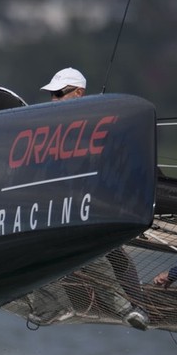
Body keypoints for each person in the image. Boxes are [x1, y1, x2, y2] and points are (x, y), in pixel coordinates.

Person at [24, 66, 149, 330]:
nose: (54, 100)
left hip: (101, 205)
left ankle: (133, 309)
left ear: (79, 93)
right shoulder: (51, 128)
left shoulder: (100, 122)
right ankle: (55, 306)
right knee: (38, 249)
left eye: (59, 94)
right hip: (66, 207)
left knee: (106, 255)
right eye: (52, 95)